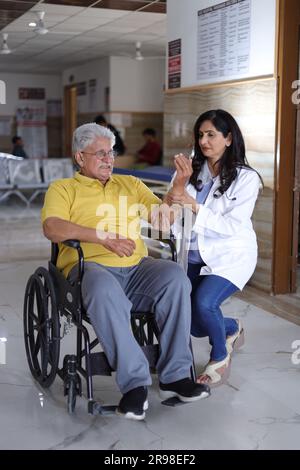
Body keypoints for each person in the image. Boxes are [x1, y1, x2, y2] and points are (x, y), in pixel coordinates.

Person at [41, 123, 210, 420]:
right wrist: (102, 237)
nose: (110, 159)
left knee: (175, 278)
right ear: (80, 157)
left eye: (112, 153)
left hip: (135, 269)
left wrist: (177, 189)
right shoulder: (63, 189)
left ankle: (175, 376)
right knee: (103, 287)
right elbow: (52, 227)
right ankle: (134, 384)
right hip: (88, 268)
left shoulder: (130, 184)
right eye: (101, 153)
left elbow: (161, 223)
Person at [164, 109, 262, 386]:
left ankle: (220, 356)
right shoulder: (187, 172)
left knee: (205, 303)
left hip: (230, 256)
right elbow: (170, 213)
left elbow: (232, 225)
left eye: (211, 134)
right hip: (192, 255)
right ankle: (231, 327)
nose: (204, 141)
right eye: (200, 135)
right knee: (195, 323)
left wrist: (192, 205)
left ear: (229, 139)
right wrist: (177, 191)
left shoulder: (246, 178)